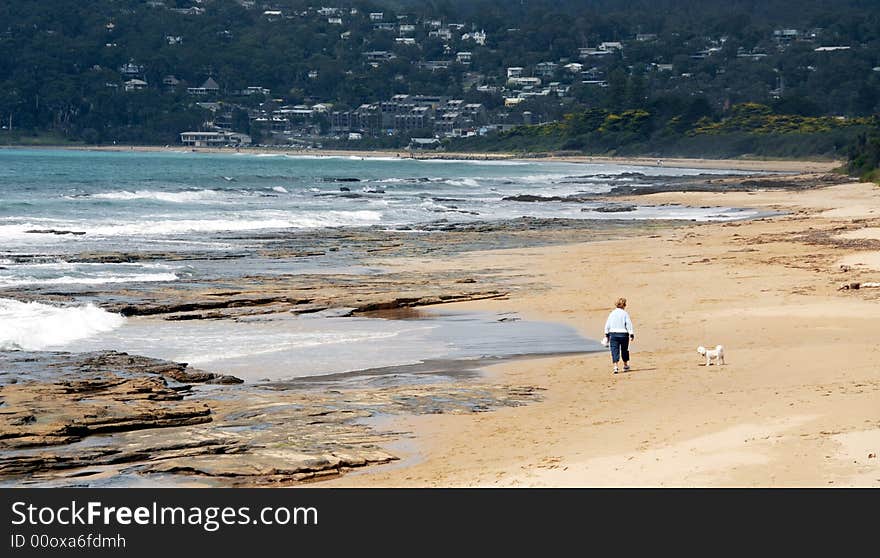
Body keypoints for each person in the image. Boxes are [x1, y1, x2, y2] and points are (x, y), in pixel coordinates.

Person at [604, 297, 635, 374]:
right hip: (623, 334)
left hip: (613, 334)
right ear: (624, 305)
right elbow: (628, 324)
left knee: (614, 350)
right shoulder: (625, 313)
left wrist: (606, 334)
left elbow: (607, 324)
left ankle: (615, 366)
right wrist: (631, 333)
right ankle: (625, 365)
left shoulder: (612, 313)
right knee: (624, 350)